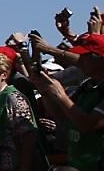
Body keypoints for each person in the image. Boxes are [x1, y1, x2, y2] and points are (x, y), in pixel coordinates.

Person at [32, 32, 104, 170]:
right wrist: (45, 90)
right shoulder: (87, 85)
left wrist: (60, 94)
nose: (80, 60)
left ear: (100, 59)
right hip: (78, 162)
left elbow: (89, 124)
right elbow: (60, 113)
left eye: (85, 56)